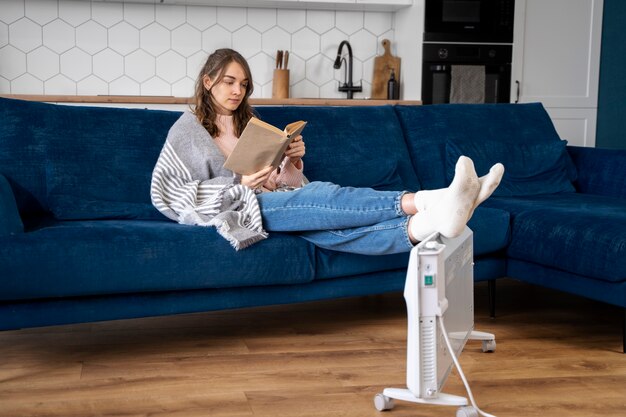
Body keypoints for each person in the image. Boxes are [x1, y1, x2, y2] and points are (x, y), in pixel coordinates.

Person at [151, 48, 504, 254]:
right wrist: (239, 185)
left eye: (243, 84)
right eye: (229, 82)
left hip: (275, 198)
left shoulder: (251, 122)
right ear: (208, 81)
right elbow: (167, 193)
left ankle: (432, 221)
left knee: (335, 232)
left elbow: (281, 180)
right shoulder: (187, 130)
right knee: (324, 194)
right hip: (244, 207)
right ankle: (434, 199)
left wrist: (290, 160)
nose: (237, 91)